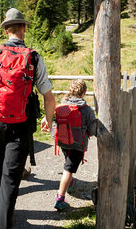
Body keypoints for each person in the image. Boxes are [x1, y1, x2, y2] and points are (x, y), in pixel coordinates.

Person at [0, 8, 56, 229]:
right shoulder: (33, 57)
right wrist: (48, 121)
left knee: (2, 168)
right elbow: (48, 96)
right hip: (21, 124)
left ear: (7, 29)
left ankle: (4, 217)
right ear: (24, 28)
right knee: (11, 176)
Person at [52, 79, 98, 211]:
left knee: (68, 162)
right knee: (69, 169)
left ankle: (69, 182)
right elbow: (92, 127)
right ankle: (60, 198)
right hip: (78, 144)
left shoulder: (63, 104)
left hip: (63, 141)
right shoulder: (86, 109)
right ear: (84, 92)